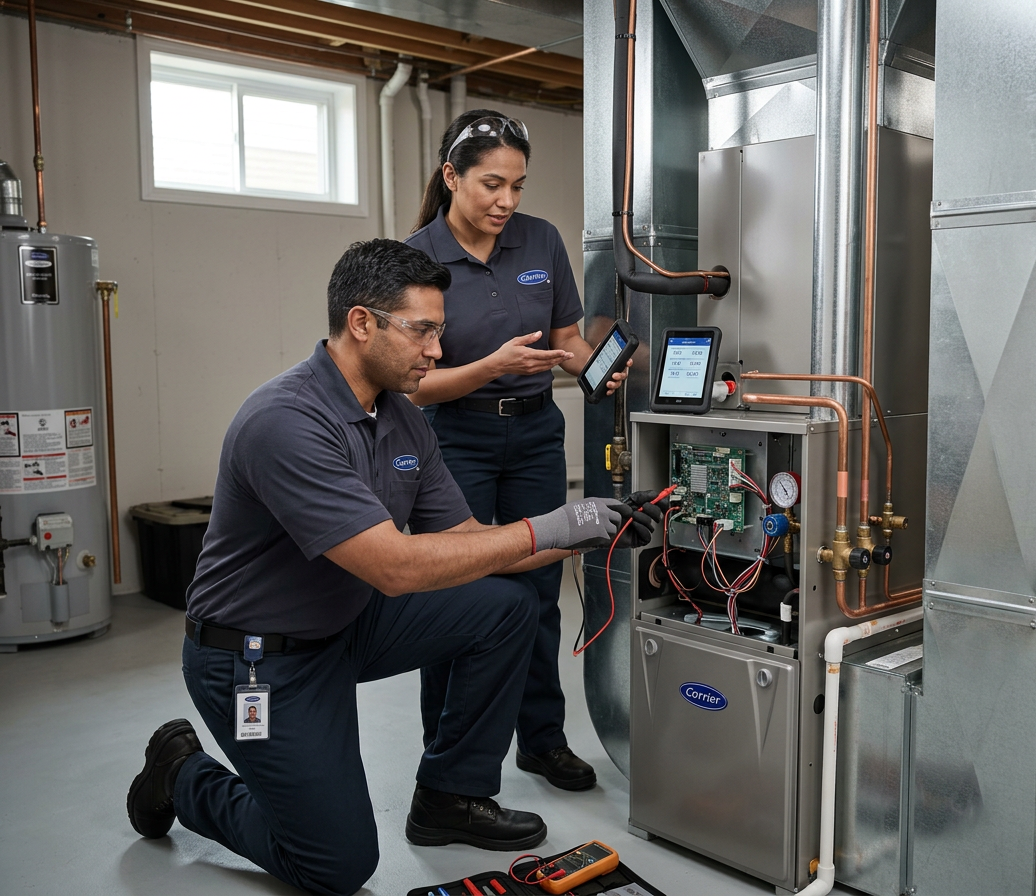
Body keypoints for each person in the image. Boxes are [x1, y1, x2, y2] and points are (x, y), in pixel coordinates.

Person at [125, 240, 662, 896]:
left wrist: (596, 532)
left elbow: (469, 543)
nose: (437, 351)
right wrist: (554, 525)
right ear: (361, 323)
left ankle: (449, 797)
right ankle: (182, 774)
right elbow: (396, 568)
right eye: (423, 331)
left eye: (441, 331)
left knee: (506, 604)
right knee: (335, 864)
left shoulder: (403, 420)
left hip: (347, 624)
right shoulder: (285, 422)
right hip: (257, 660)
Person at [406, 110, 628, 793]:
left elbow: (566, 336)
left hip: (534, 435)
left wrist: (597, 367)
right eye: (491, 184)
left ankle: (542, 740)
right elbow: (411, 385)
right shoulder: (415, 260)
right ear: (452, 177)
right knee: (459, 590)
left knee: (535, 589)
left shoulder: (540, 241)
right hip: (454, 439)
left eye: (519, 187)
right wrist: (487, 367)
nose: (507, 202)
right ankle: (447, 752)